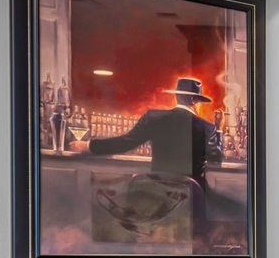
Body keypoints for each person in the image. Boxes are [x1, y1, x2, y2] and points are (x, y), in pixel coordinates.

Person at [87, 76, 215, 186]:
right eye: (199, 101)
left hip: (160, 192)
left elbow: (125, 143)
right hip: (192, 196)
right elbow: (215, 158)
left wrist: (90, 146)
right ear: (194, 101)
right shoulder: (208, 128)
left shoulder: (153, 117)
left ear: (177, 96)